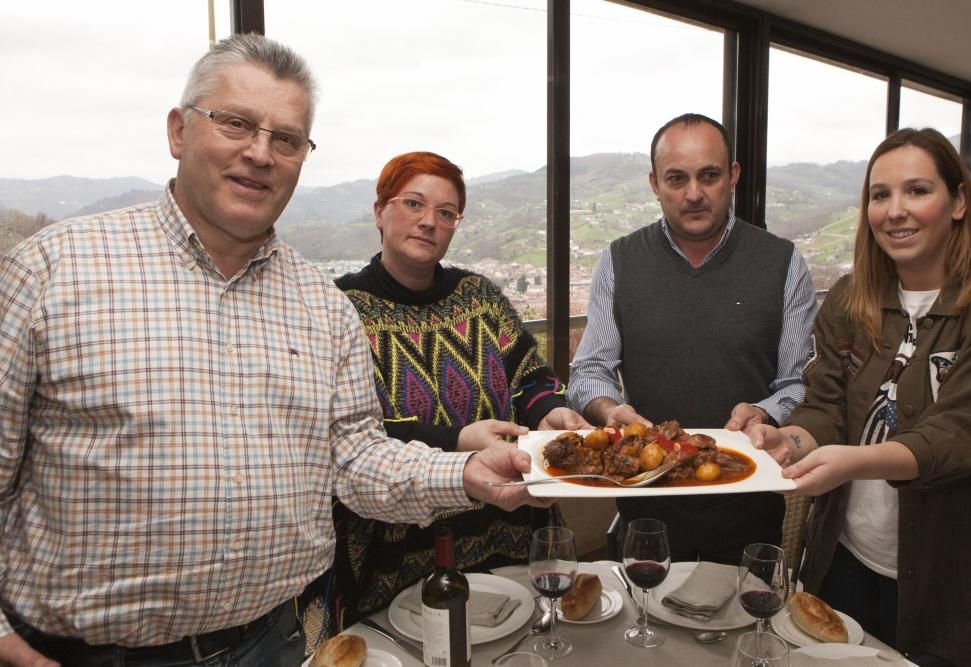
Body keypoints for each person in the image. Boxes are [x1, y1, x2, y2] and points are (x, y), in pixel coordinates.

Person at [0, 34, 544, 667]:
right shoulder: (51, 271)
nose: (260, 153)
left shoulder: (321, 305)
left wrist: (464, 475)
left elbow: (354, 459)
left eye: (285, 139)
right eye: (235, 124)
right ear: (179, 131)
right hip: (83, 654)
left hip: (278, 644)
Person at [751, 128, 971, 667]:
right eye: (880, 195)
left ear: (958, 202)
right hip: (846, 560)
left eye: (917, 190)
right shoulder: (850, 296)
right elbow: (824, 405)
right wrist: (787, 438)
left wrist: (852, 463)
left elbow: (957, 436)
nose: (895, 211)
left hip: (953, 578)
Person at [325, 151, 588, 630]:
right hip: (396, 549)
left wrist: (550, 410)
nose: (429, 222)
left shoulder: (479, 296)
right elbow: (360, 433)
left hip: (506, 527)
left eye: (446, 213)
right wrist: (458, 440)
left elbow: (528, 376)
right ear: (379, 211)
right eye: (413, 204)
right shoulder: (344, 310)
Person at [567, 113, 817, 564]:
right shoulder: (618, 261)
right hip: (646, 507)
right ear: (654, 183)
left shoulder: (783, 263)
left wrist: (764, 411)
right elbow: (588, 370)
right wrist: (612, 410)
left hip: (750, 504)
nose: (694, 193)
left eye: (709, 175)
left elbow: (798, 383)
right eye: (677, 179)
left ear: (733, 176)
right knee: (644, 626)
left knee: (749, 630)